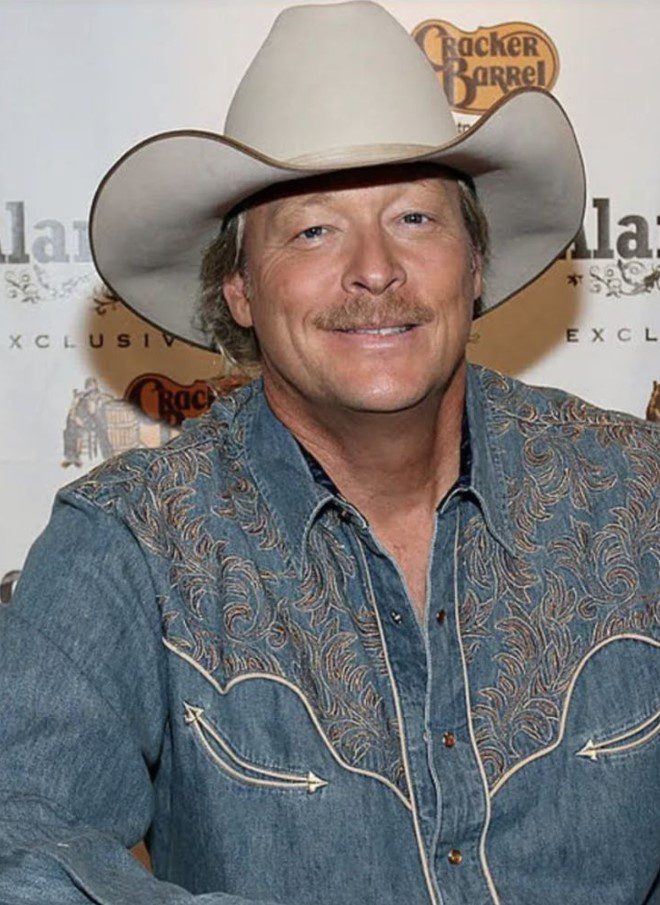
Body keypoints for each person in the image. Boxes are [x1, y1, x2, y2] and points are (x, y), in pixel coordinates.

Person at [0, 3, 658, 904]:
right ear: (239, 288)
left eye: (415, 218)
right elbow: (21, 841)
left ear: (475, 264)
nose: (375, 269)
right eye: (314, 230)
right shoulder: (131, 543)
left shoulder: (632, 490)